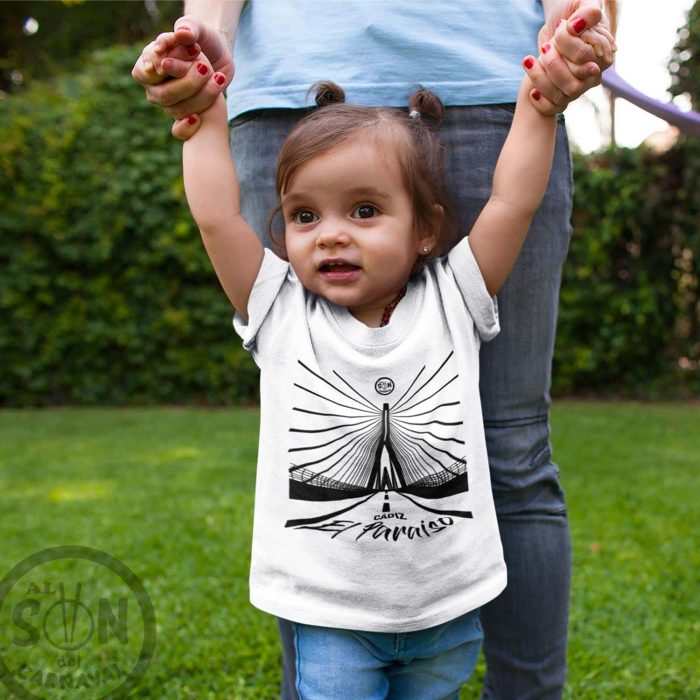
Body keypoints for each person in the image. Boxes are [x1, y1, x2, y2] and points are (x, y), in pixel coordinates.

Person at [132, 3, 615, 697]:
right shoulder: (276, 308)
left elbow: (509, 203)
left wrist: (537, 106)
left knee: (518, 452)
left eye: (364, 211)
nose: (330, 234)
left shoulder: (456, 300)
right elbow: (216, 214)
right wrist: (205, 111)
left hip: (445, 624)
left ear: (429, 231)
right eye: (304, 216)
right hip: (327, 624)